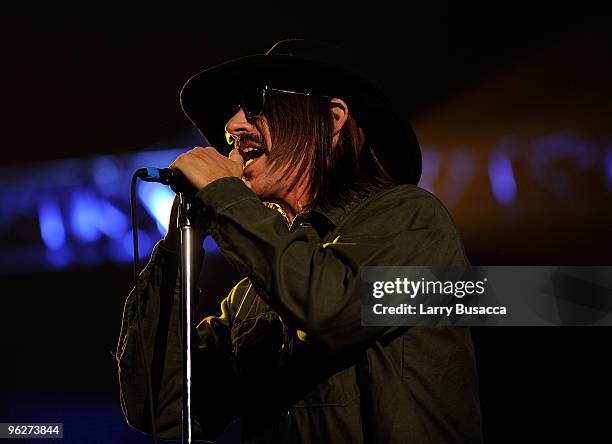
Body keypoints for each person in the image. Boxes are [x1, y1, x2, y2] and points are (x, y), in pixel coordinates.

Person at [116, 39, 483, 443]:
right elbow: (160, 408)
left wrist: (224, 195)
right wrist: (178, 247)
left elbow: (330, 308)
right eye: (232, 115)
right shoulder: (250, 298)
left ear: (333, 116)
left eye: (256, 104)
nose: (233, 127)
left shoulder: (412, 219)